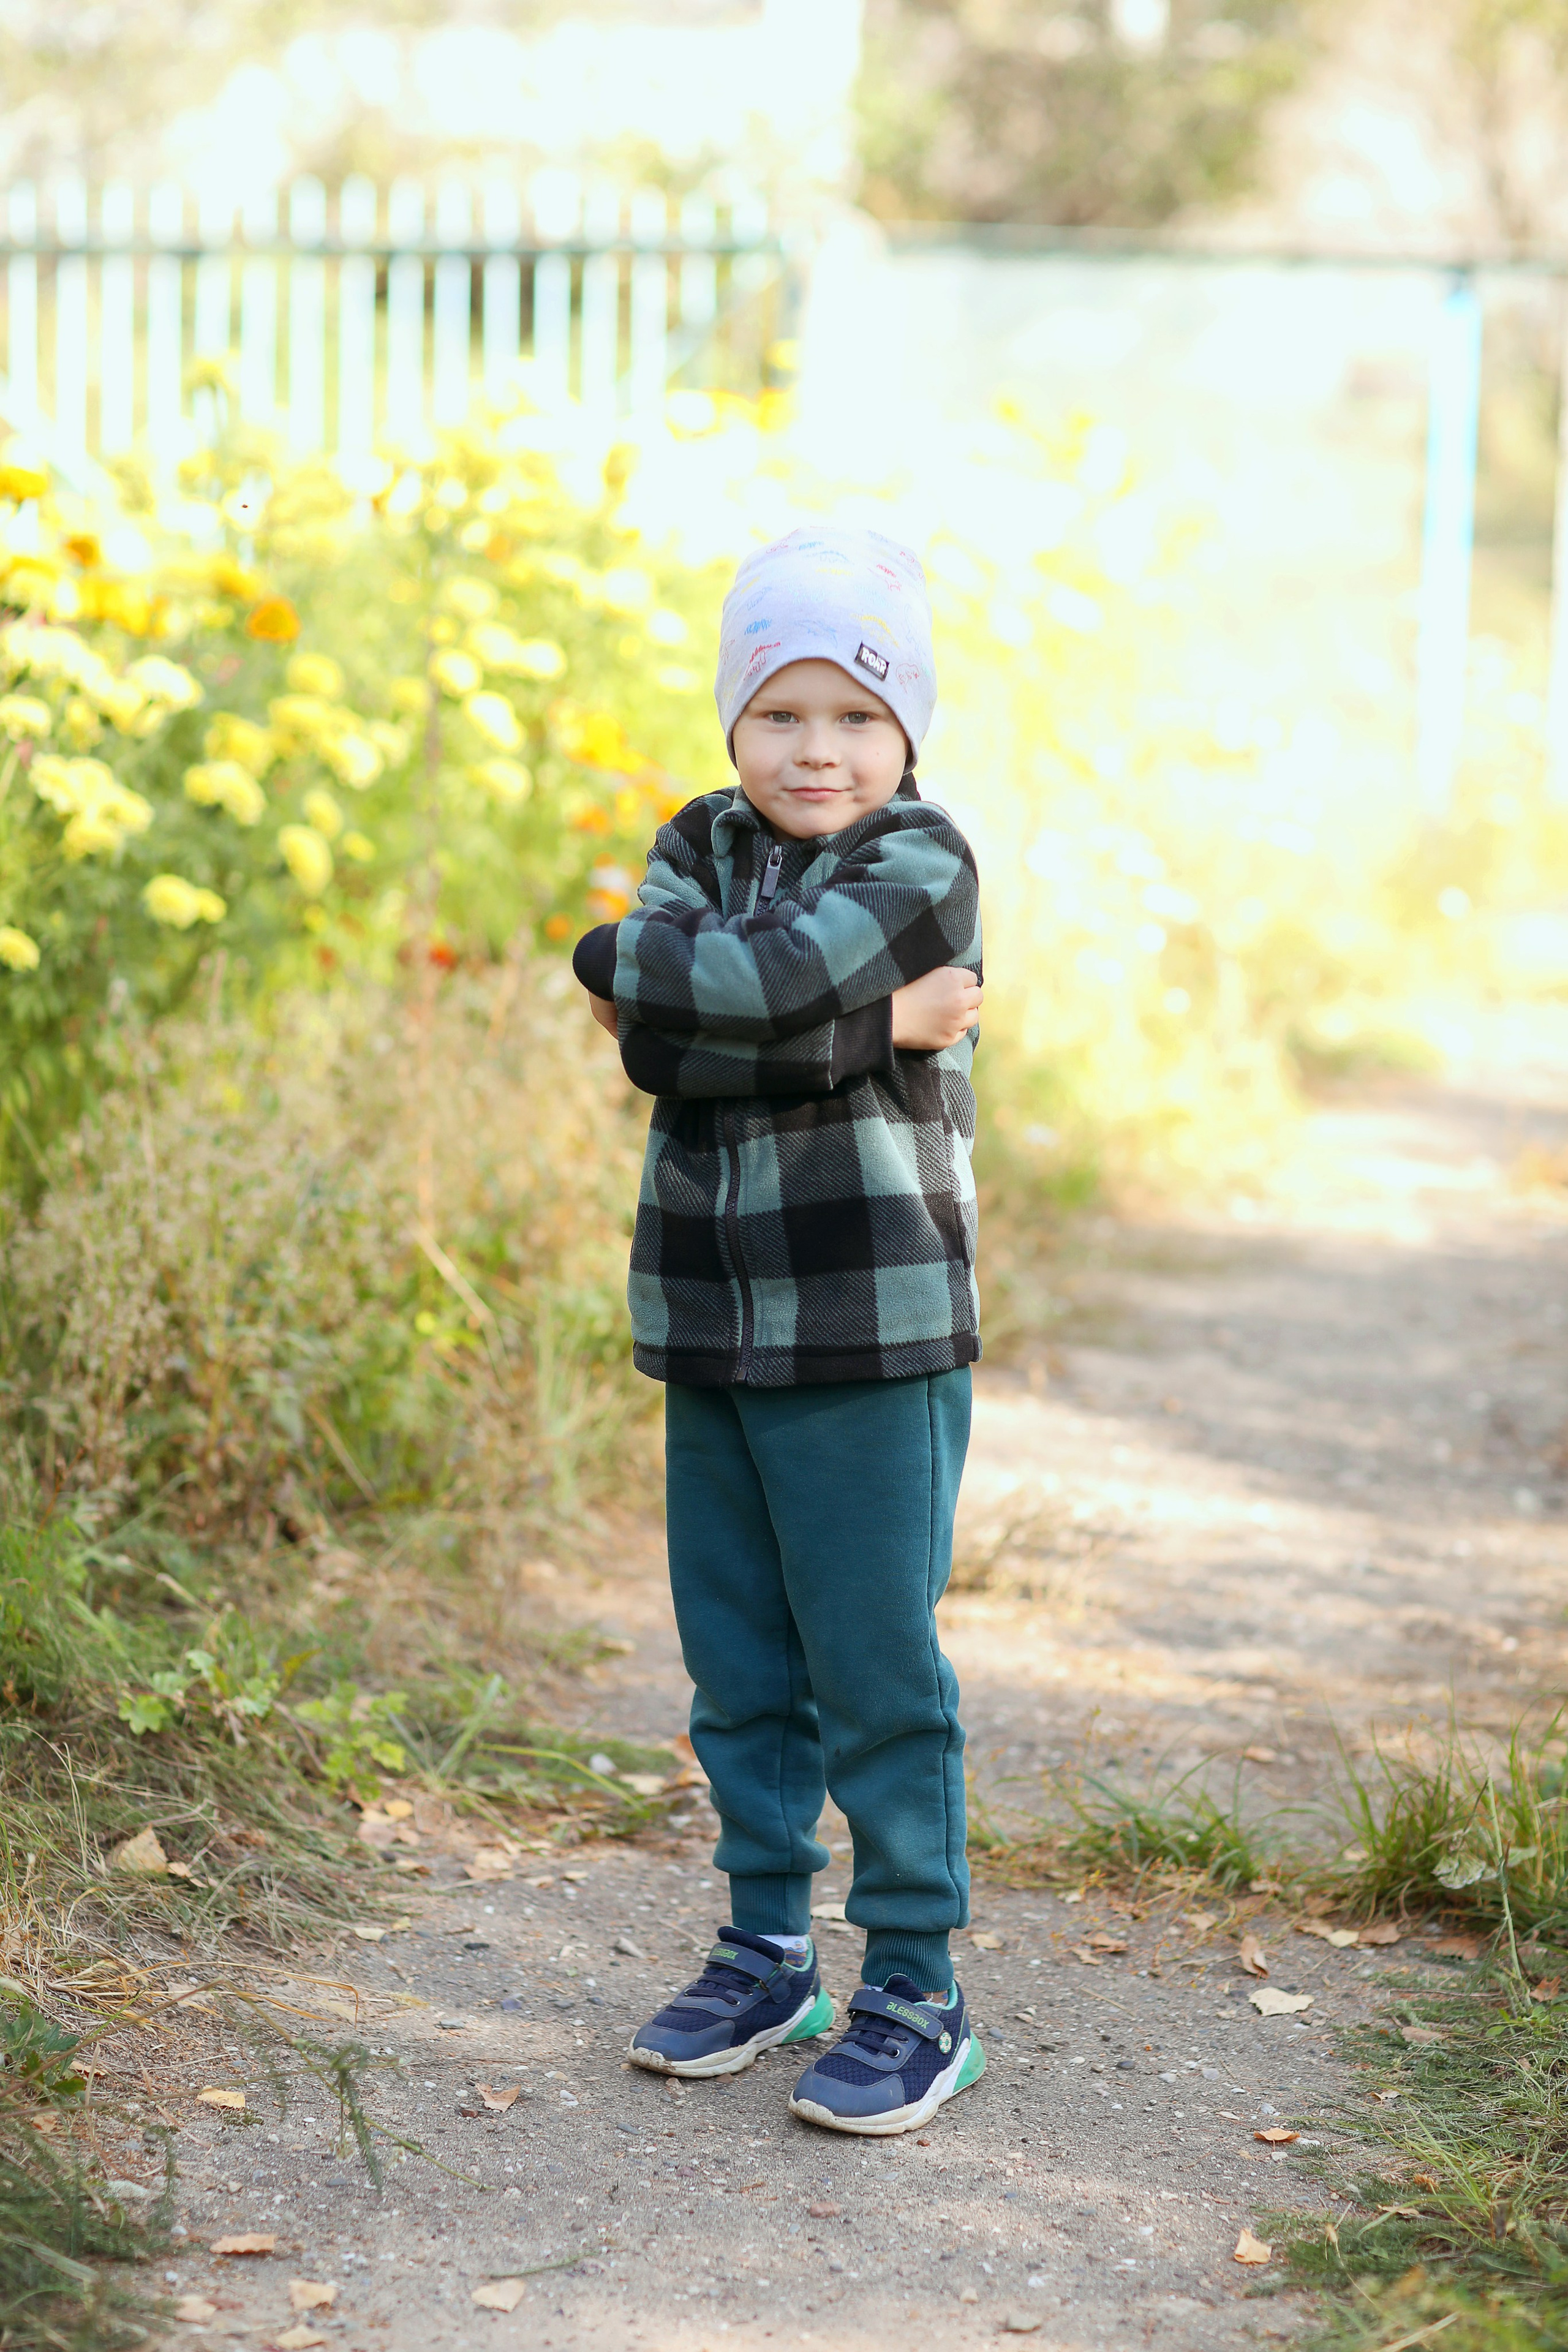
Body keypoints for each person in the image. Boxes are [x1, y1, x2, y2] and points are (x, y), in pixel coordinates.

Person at [571, 524, 986, 2135]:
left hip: (871, 1327)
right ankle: (766, 1948)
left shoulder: (925, 857)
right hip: (708, 1319)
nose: (818, 751)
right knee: (739, 1666)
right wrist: (872, 1030)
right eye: (782, 714)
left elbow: (696, 1003)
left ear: (906, 734)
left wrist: (637, 977)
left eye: (856, 719)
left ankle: (915, 1988)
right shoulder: (697, 836)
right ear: (735, 720)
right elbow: (659, 1048)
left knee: (876, 1667)